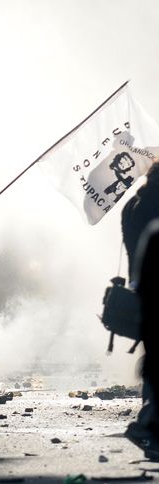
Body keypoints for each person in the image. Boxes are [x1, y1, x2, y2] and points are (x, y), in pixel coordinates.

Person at [122, 161, 159, 459]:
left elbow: (134, 255)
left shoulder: (133, 207)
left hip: (147, 295)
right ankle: (150, 425)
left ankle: (151, 426)